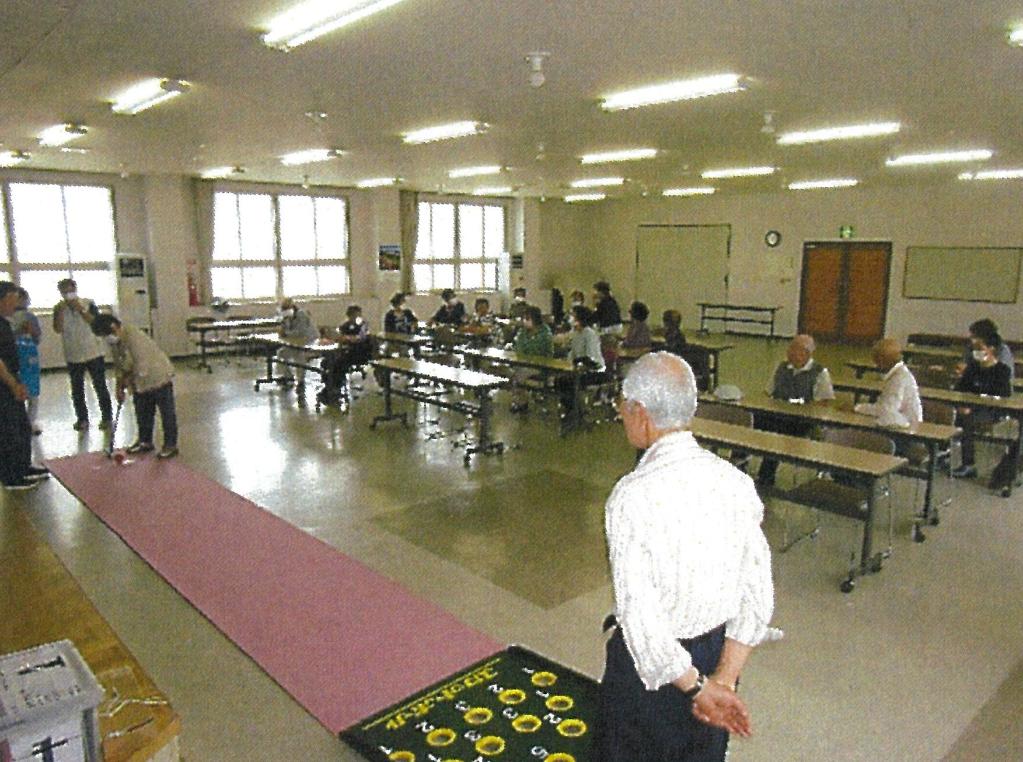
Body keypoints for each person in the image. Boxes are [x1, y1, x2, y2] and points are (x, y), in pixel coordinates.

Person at [594, 352, 774, 761]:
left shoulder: (631, 496)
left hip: (652, 675)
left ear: (640, 413)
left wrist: (698, 688)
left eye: (623, 406)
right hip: (716, 655)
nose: (621, 415)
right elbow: (757, 594)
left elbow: (640, 618)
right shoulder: (736, 482)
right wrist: (723, 680)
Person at [91, 314, 179, 459]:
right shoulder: (115, 342)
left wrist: (128, 380)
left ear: (114, 327)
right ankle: (145, 441)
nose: (106, 339)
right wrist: (119, 386)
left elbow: (141, 363)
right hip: (139, 379)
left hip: (157, 374)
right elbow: (119, 364)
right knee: (142, 410)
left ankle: (170, 445)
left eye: (105, 335)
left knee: (166, 412)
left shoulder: (133, 335)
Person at [756, 335, 836, 486]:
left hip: (801, 421)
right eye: (790, 348)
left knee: (778, 432)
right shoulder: (782, 368)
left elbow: (823, 403)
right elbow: (767, 393)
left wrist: (797, 407)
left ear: (807, 353)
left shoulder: (820, 373)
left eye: (795, 350)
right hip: (777, 414)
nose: (790, 353)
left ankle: (766, 475)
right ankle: (738, 463)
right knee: (749, 420)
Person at [0, 282, 50, 490]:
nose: (16, 304)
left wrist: (18, 381)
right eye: (13, 299)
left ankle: (23, 466)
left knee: (21, 426)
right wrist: (12, 384)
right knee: (8, 430)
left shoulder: (5, 323)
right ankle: (12, 477)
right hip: (3, 384)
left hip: (12, 378)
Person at [952, 332, 1016, 494]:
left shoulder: (1002, 371)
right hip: (969, 407)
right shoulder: (972, 368)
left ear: (991, 349)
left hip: (992, 411)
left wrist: (974, 404)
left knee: (967, 419)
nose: (976, 351)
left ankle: (968, 464)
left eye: (980, 348)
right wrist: (962, 403)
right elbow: (960, 388)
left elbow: (1003, 397)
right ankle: (943, 453)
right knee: (953, 414)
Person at [53, 278, 113, 431]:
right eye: (65, 292)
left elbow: (95, 322)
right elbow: (58, 329)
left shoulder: (88, 303)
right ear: (61, 293)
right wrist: (60, 312)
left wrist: (80, 310)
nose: (68, 294)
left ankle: (107, 417)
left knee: (100, 385)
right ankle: (82, 419)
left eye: (71, 291)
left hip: (93, 351)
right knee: (77, 388)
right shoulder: (58, 308)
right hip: (73, 353)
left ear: (75, 290)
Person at [854, 337, 922, 427]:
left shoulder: (899, 379)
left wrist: (858, 408)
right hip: (900, 421)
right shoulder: (898, 374)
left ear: (883, 360)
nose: (876, 365)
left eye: (877, 360)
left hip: (906, 425)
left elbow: (887, 409)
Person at [556, 305, 606, 421]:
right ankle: (572, 408)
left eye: (572, 316)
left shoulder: (589, 334)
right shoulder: (574, 333)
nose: (570, 318)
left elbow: (591, 357)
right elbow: (572, 353)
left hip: (595, 370)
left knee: (568, 381)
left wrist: (579, 364)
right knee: (560, 380)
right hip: (579, 368)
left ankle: (577, 410)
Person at [319, 305, 371, 408]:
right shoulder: (344, 325)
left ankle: (334, 388)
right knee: (326, 362)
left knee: (339, 364)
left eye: (356, 315)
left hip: (358, 353)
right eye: (352, 315)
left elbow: (360, 338)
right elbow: (338, 337)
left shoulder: (362, 325)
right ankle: (329, 387)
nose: (354, 317)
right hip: (345, 352)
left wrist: (348, 338)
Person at [10, 287, 43, 434]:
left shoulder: (31, 317)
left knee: (33, 392)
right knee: (16, 390)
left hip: (30, 357)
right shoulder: (6, 319)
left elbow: (37, 338)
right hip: (14, 358)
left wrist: (32, 331)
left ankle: (31, 421)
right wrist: (19, 331)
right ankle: (18, 423)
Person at [510, 305, 553, 413]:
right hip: (523, 363)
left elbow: (545, 352)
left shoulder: (545, 333)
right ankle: (521, 399)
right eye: (524, 318)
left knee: (519, 374)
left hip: (540, 365)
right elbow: (518, 348)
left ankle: (521, 402)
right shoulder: (522, 332)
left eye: (527, 319)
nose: (525, 321)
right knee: (511, 371)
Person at [277, 297, 319, 394]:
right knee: (281, 354)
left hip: (308, 340)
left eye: (286, 308)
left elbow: (301, 331)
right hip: (295, 341)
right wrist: (282, 328)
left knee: (299, 355)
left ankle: (301, 381)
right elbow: (285, 328)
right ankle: (288, 376)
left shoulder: (301, 314)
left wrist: (286, 333)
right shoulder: (287, 317)